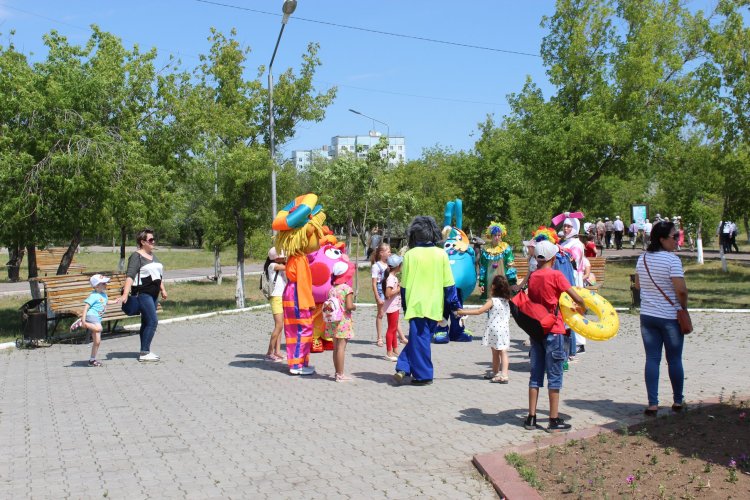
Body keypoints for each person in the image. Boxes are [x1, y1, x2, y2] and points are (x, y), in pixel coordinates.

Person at [523, 240, 586, 433]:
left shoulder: (533, 276)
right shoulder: (557, 275)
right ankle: (553, 420)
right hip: (554, 330)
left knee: (535, 375)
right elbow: (576, 297)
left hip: (537, 329)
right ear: (553, 257)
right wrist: (582, 306)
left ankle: (531, 418)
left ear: (537, 257)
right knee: (555, 375)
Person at [394, 216, 460, 386]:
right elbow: (449, 285)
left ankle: (423, 375)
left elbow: (405, 285)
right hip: (435, 305)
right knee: (421, 338)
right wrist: (455, 306)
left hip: (416, 304)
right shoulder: (441, 254)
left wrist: (405, 305)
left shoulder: (409, 255)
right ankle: (403, 367)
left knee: (419, 339)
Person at [634, 220, 689, 416]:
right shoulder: (672, 261)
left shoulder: (643, 259)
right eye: (674, 237)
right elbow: (681, 290)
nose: (677, 240)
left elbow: (638, 285)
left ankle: (652, 404)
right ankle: (677, 400)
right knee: (674, 359)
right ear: (662, 239)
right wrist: (683, 307)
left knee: (652, 359)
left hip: (648, 316)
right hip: (669, 317)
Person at [120, 228, 166, 362]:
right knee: (152, 321)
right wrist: (124, 294)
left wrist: (163, 289)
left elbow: (158, 276)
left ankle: (144, 350)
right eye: (150, 240)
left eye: (153, 239)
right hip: (143, 293)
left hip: (153, 294)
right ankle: (145, 353)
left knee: (146, 321)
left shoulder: (152, 256)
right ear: (142, 241)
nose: (153, 242)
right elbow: (130, 276)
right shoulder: (136, 256)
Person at [457, 275, 512, 383]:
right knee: (501, 351)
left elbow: (479, 311)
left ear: (494, 287)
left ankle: (503, 375)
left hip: (494, 329)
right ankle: (497, 372)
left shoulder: (493, 301)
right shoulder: (506, 300)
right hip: (504, 329)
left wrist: (462, 312)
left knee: (498, 352)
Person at [325, 261, 356, 382]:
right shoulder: (347, 289)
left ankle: (336, 372)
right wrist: (354, 307)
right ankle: (340, 374)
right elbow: (348, 306)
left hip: (333, 321)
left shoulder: (332, 289)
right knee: (341, 348)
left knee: (335, 347)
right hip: (343, 321)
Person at [81, 274, 116, 367]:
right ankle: (82, 323)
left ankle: (92, 360)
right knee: (99, 328)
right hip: (91, 316)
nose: (106, 285)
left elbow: (106, 302)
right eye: (103, 283)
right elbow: (86, 307)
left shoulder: (104, 295)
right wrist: (83, 320)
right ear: (96, 286)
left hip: (97, 319)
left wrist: (115, 301)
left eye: (106, 283)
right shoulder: (93, 295)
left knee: (97, 341)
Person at [264, 247, 287, 362]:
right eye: (282, 256)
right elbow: (287, 267)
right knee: (278, 326)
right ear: (276, 258)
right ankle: (269, 352)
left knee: (280, 326)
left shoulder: (279, 265)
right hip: (276, 298)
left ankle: (277, 352)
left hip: (281, 297)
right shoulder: (272, 266)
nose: (284, 257)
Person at [382, 254, 404, 361]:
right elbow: (388, 294)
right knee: (391, 329)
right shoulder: (391, 279)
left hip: (394, 306)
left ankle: (395, 349)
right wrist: (398, 289)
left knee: (394, 328)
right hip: (392, 307)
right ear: (398, 266)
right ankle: (389, 352)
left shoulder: (392, 277)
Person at [370, 242, 392, 347]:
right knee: (380, 314)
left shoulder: (389, 264)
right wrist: (377, 297)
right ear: (382, 253)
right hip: (380, 290)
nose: (390, 253)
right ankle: (379, 337)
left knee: (392, 313)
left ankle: (399, 336)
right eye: (388, 251)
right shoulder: (376, 266)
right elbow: (374, 283)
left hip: (388, 288)